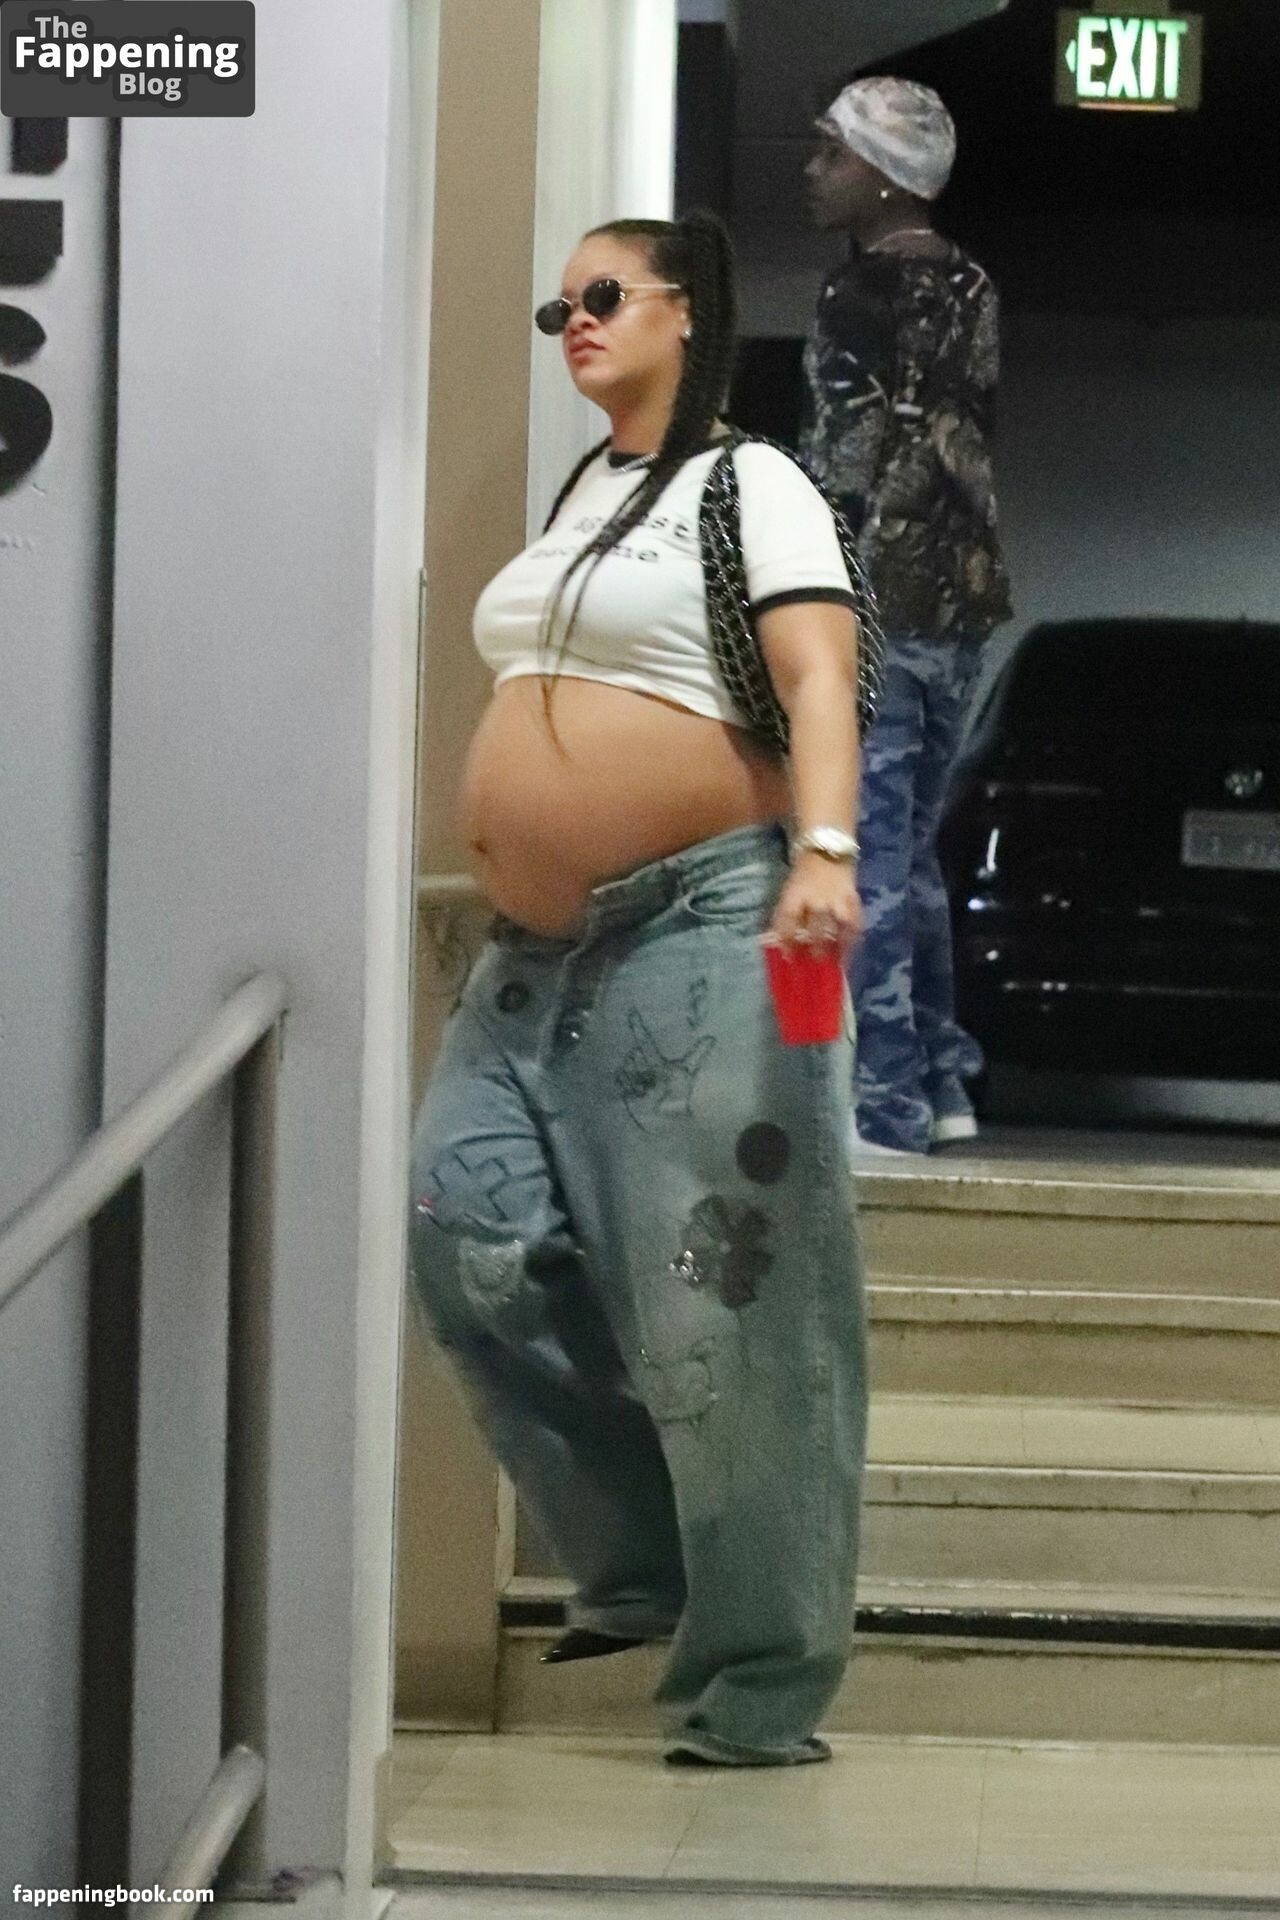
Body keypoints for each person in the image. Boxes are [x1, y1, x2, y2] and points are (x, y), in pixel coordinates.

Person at [408, 211, 875, 1767]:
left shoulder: (754, 484)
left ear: (689, 311)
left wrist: (826, 852)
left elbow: (817, 675)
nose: (577, 326)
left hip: (711, 925)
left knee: (735, 1309)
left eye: (603, 296)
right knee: (465, 1234)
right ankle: (656, 1566)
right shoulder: (584, 495)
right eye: (560, 310)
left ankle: (761, 1682)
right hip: (537, 952)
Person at [803, 77, 1012, 1155]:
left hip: (873, 598)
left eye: (831, 154)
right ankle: (941, 1077)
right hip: (962, 598)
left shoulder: (856, 296)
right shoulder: (973, 285)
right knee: (914, 850)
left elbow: (841, 461)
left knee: (862, 850)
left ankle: (882, 1105)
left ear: (884, 176)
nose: (813, 172)